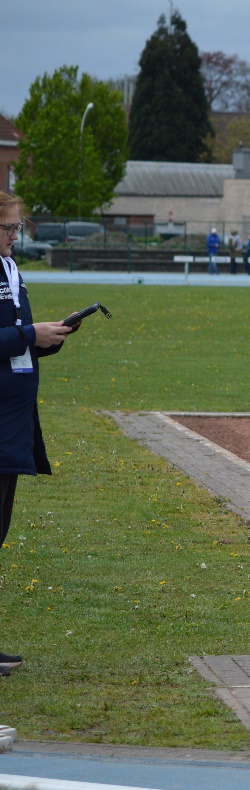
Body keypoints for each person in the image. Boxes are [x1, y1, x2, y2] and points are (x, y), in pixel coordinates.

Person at [0, 192, 79, 678]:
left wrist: (47, 338)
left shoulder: (11, 272)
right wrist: (31, 335)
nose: (14, 235)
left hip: (13, 423)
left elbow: (17, 339)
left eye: (16, 226)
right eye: (7, 227)